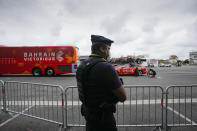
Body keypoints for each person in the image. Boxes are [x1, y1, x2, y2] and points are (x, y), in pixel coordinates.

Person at [76, 35, 127, 131]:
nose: (109, 52)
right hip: (103, 119)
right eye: (108, 49)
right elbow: (123, 97)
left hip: (89, 115)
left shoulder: (83, 65)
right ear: (102, 49)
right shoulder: (106, 67)